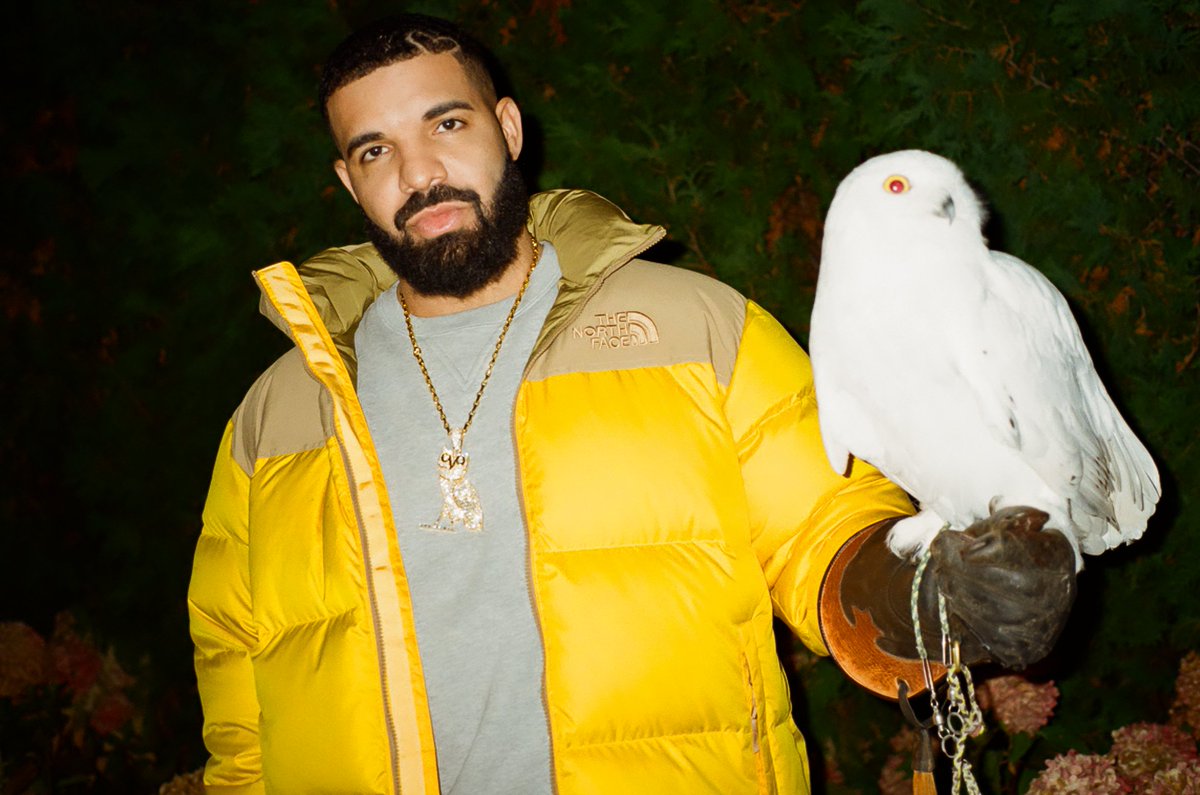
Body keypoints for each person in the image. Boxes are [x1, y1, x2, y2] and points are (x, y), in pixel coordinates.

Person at [188, 14, 1076, 794]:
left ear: (507, 128)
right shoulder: (277, 415)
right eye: (375, 149)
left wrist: (923, 590)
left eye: (446, 123)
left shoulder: (697, 327)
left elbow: (824, 523)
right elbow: (238, 693)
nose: (419, 173)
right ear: (349, 182)